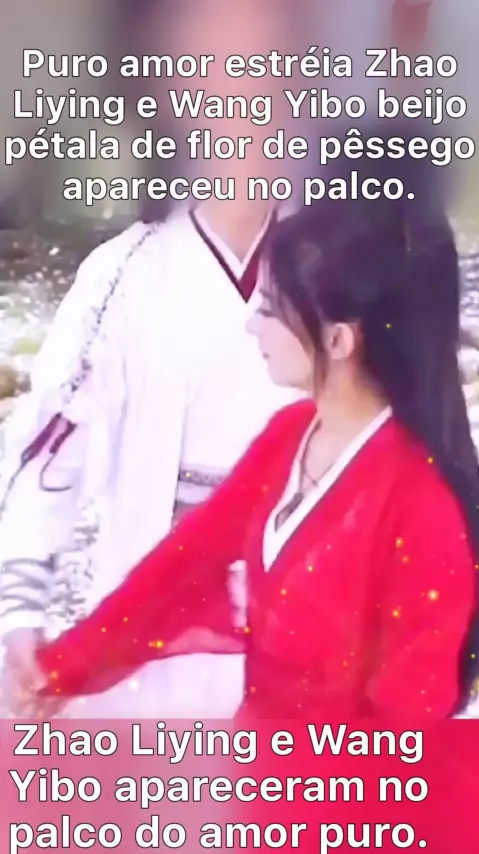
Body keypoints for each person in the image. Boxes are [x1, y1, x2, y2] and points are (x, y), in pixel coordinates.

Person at [34, 180, 479, 720]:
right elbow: (182, 567)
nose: (251, 325)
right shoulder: (290, 437)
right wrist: (63, 668)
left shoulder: (422, 508)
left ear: (339, 339)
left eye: (269, 309)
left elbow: (406, 729)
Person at [0, 0, 308, 718]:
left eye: (261, 64)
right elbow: (48, 457)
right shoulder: (124, 276)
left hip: (308, 658)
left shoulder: (349, 270)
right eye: (210, 69)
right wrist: (20, 614)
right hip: (145, 663)